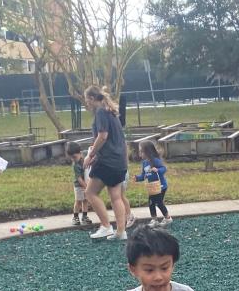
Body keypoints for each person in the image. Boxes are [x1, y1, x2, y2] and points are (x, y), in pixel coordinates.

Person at [83, 85, 129, 241]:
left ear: (91, 98)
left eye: (86, 100)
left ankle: (106, 226)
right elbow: (112, 139)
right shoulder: (111, 112)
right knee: (116, 196)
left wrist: (91, 155)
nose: (86, 104)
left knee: (90, 193)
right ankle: (121, 232)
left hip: (108, 161)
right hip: (119, 160)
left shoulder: (101, 112)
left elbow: (102, 136)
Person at [135, 139, 171, 222]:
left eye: (141, 151)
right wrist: (137, 178)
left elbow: (164, 168)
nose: (140, 154)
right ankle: (154, 219)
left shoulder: (155, 160)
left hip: (161, 186)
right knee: (151, 203)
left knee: (159, 203)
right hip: (152, 188)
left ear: (148, 151)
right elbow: (144, 175)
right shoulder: (144, 163)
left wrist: (158, 170)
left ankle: (168, 218)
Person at [65, 140, 93, 227]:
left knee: (85, 201)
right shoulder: (75, 165)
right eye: (72, 158)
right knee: (78, 202)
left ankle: (84, 216)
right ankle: (75, 217)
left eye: (74, 157)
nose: (73, 159)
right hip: (79, 186)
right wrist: (86, 187)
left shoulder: (84, 160)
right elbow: (79, 179)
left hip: (86, 185)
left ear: (80, 153)